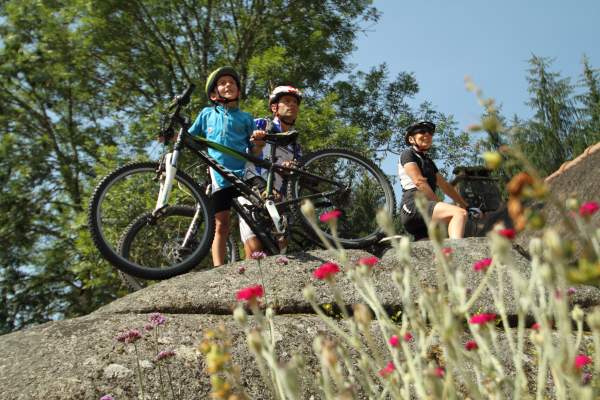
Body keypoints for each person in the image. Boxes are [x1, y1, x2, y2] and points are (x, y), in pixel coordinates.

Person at [188, 66, 266, 266]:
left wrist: (258, 143)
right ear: (214, 94)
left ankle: (254, 261)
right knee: (221, 224)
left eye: (231, 82)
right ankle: (218, 267)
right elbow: (189, 137)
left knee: (254, 217)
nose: (228, 85)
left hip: (243, 174)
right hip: (219, 176)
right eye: (222, 83)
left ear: (238, 91)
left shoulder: (246, 117)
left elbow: (254, 152)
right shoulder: (206, 114)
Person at [238, 85, 303, 258]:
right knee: (255, 249)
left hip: (280, 200)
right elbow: (247, 155)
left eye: (295, 103)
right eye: (287, 101)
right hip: (254, 189)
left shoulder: (295, 145)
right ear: (274, 107)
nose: (292, 105)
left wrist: (291, 169)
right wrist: (257, 143)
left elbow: (295, 180)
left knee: (280, 250)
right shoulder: (262, 124)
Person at [398, 121, 478, 240]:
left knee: (432, 248)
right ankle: (458, 252)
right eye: (421, 131)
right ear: (411, 139)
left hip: (425, 213)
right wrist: (439, 203)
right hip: (414, 206)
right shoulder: (408, 153)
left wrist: (466, 205)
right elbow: (419, 181)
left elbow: (445, 186)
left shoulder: (428, 162)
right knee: (459, 214)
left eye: (430, 133)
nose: (427, 134)